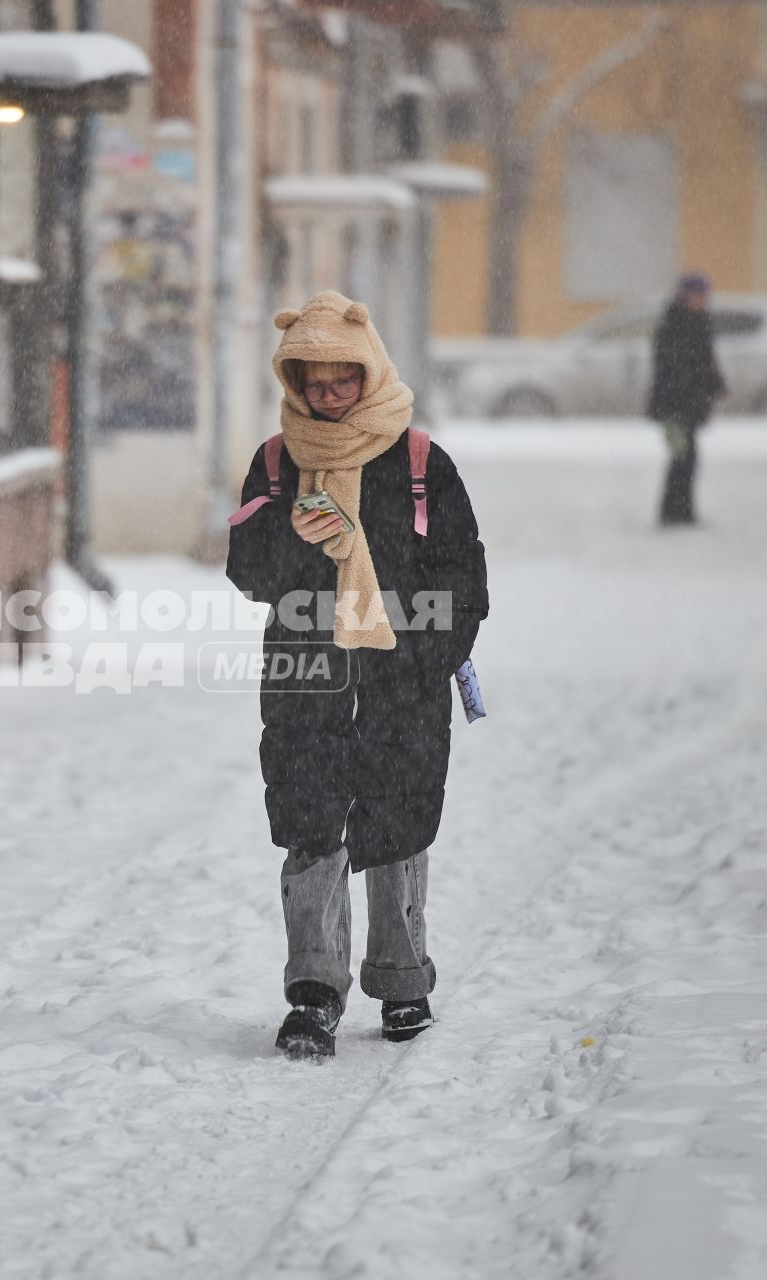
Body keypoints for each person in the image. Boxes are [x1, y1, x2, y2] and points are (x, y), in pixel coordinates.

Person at [225, 290, 489, 1060]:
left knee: (396, 820)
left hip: (400, 678)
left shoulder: (418, 462)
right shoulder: (276, 463)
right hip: (305, 673)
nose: (328, 395)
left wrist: (425, 656)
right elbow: (248, 573)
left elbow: (462, 577)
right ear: (293, 380)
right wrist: (290, 534)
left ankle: (402, 980)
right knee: (310, 822)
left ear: (368, 373)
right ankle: (312, 990)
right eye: (313, 381)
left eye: (342, 380)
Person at [648, 273, 727, 527]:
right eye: (698, 296)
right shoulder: (673, 326)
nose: (702, 301)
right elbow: (672, 366)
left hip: (691, 403)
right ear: (685, 297)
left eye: (704, 296)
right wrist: (690, 386)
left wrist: (715, 384)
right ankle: (673, 511)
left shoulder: (700, 323)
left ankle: (682, 510)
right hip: (673, 404)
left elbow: (706, 361)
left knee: (687, 457)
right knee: (682, 456)